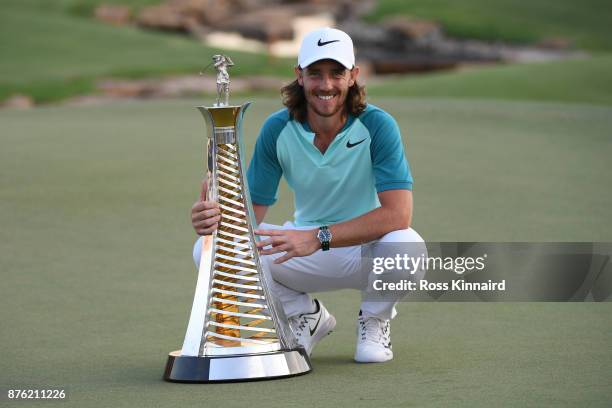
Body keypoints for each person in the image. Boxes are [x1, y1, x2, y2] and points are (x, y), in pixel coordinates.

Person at [191, 27, 426, 363]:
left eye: (336, 74)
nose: (326, 85)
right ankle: (306, 315)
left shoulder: (378, 125)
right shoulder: (277, 128)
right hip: (300, 250)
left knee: (407, 244)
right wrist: (211, 219)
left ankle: (374, 320)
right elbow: (249, 216)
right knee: (207, 251)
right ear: (299, 76)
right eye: (315, 74)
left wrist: (319, 237)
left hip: (363, 249)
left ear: (353, 76)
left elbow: (397, 215)